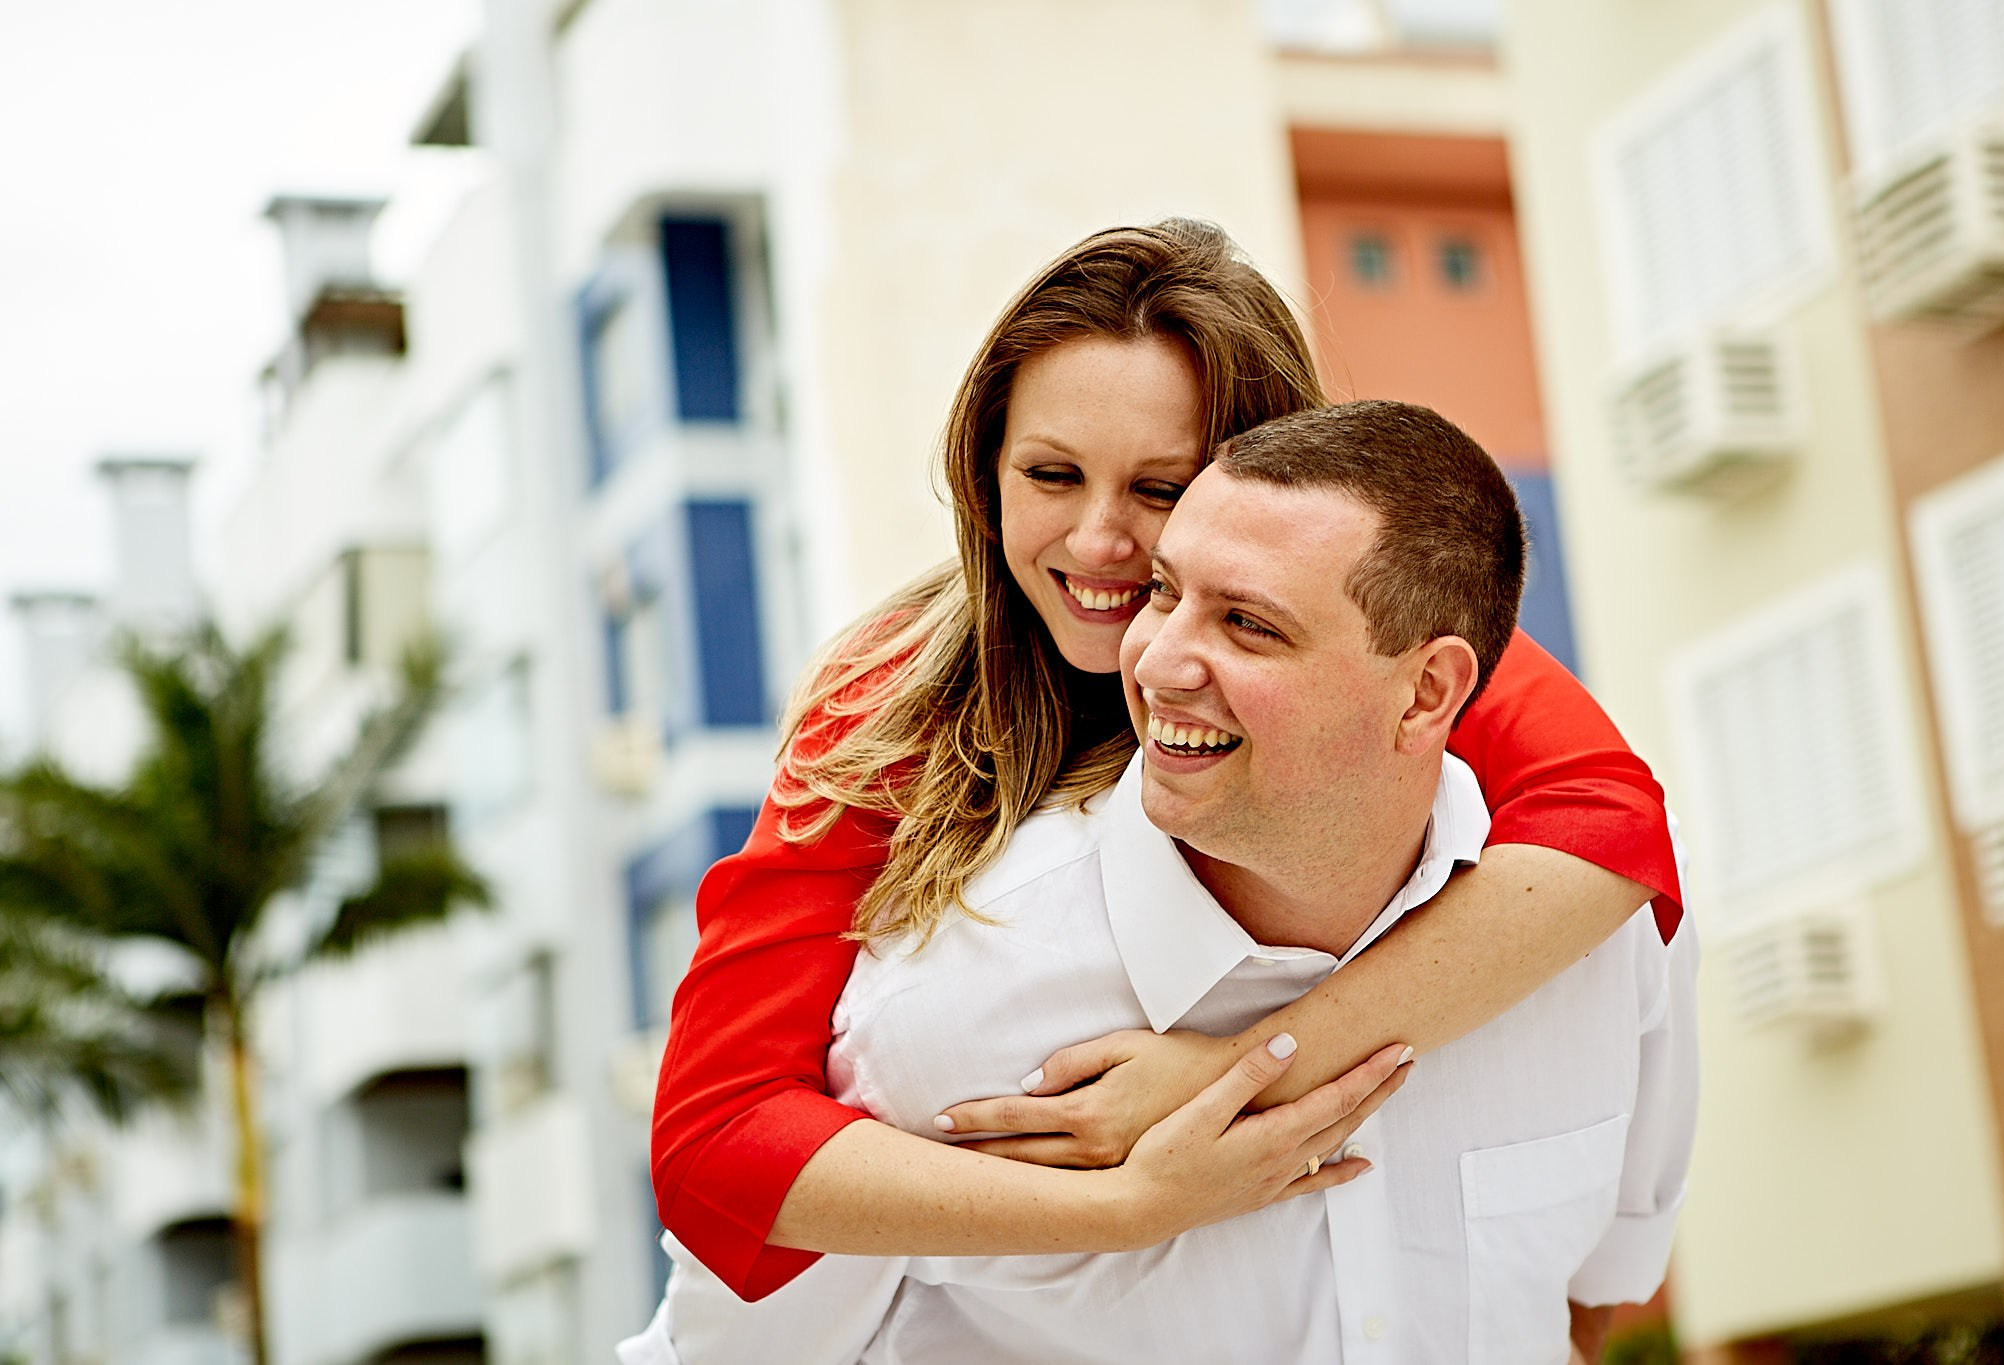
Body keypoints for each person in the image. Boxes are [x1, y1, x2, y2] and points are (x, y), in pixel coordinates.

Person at [646, 222, 1684, 1307]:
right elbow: (714, 1138)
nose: (1097, 545)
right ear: (984, 473)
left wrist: (1245, 1069)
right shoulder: (891, 703)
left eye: (1158, 489)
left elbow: (1609, 828)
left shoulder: (1372, 651)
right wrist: (1131, 1202)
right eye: (1050, 474)